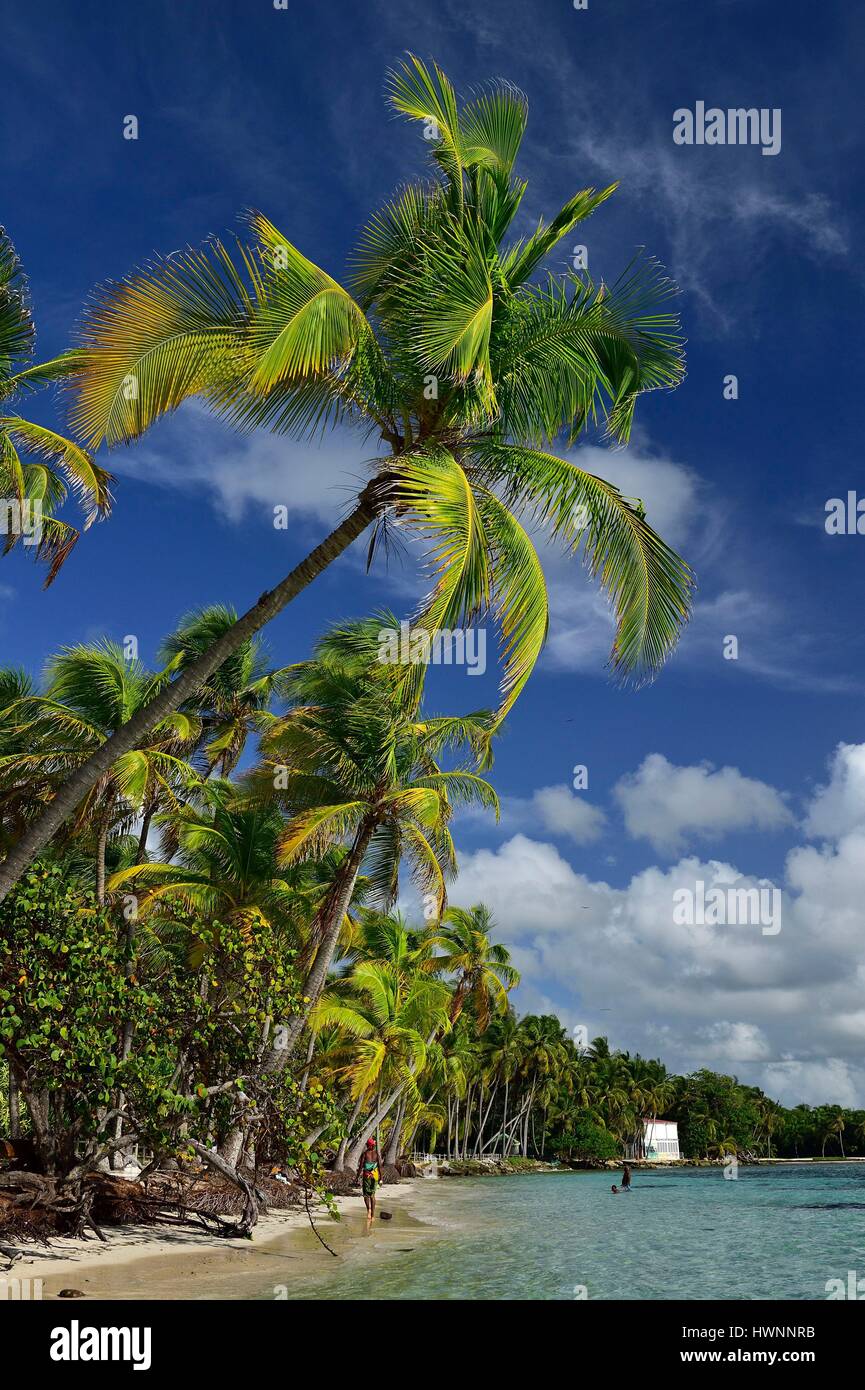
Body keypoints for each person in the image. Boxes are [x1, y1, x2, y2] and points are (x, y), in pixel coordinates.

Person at [356, 1137, 381, 1224]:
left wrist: (357, 1177)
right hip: (375, 1176)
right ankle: (373, 1216)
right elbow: (380, 1166)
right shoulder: (376, 1154)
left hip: (367, 1176)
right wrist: (381, 1177)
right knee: (372, 1196)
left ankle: (369, 1211)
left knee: (366, 1195)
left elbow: (361, 1167)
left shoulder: (365, 1154)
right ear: (373, 1145)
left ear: (368, 1145)